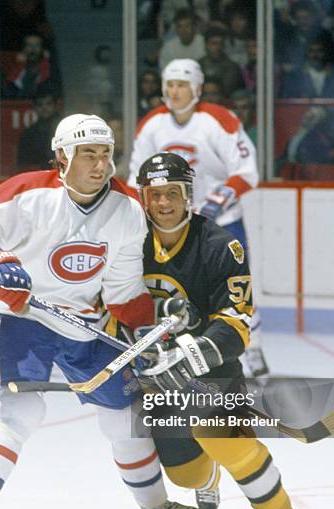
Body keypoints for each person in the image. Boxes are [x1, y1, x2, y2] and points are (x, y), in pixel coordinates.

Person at [0, 113, 205, 509]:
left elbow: (122, 290)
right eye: (88, 155)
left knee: (124, 414)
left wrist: (146, 336)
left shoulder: (126, 210)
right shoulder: (28, 193)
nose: (100, 165)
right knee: (19, 409)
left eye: (105, 154)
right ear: (62, 157)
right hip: (20, 315)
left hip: (81, 321)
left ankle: (156, 506)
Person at [134, 152, 318, 509]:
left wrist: (189, 355)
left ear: (188, 195)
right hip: (156, 381)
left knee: (228, 442)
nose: (163, 204)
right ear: (143, 198)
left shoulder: (220, 245)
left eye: (172, 193)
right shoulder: (129, 244)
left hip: (211, 373)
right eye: (155, 195)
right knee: (185, 475)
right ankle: (208, 477)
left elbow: (236, 324)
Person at [128, 58, 269, 377]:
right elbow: (136, 174)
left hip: (221, 219)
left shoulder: (219, 120)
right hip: (172, 221)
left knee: (237, 284)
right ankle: (187, 344)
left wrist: (215, 203)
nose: (175, 92)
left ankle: (253, 345)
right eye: (170, 85)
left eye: (182, 85)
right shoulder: (152, 123)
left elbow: (247, 172)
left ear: (197, 88)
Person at [16, 89, 62, 172]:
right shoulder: (29, 134)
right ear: (34, 108)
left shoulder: (64, 128)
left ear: (55, 106)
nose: (44, 108)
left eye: (48, 104)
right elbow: (23, 163)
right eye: (40, 105)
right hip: (37, 174)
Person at [3, 32, 53, 100]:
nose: (33, 49)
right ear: (23, 49)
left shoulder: (51, 72)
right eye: (29, 45)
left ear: (43, 49)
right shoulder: (15, 72)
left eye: (37, 45)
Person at [198, 28, 245, 99]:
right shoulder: (197, 65)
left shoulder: (233, 67)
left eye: (221, 43)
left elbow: (228, 91)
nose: (218, 47)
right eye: (214, 43)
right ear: (206, 45)